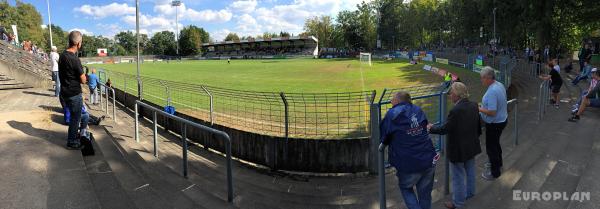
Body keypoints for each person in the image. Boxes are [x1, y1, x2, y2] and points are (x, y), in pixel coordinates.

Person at [380, 91, 438, 209]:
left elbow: (384, 136)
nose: (391, 101)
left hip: (408, 162)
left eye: (392, 99)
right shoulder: (418, 109)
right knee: (425, 195)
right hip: (428, 158)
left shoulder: (392, 114)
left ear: (397, 101)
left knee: (406, 188)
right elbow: (424, 127)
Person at [428, 82, 482, 209]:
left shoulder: (455, 110)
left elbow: (445, 128)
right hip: (471, 146)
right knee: (470, 171)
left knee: (458, 177)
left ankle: (458, 203)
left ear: (457, 95)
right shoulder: (474, 105)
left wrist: (431, 128)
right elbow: (478, 127)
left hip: (458, 150)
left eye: (451, 93)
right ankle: (470, 193)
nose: (450, 96)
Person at [59, 30, 87, 150]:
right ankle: (72, 141)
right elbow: (83, 80)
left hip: (64, 92)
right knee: (76, 118)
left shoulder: (62, 55)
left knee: (76, 117)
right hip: (74, 93)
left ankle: (74, 136)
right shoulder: (75, 60)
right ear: (78, 43)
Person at [478, 67, 508, 180]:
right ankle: (498, 164)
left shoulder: (492, 91)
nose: (481, 80)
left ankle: (495, 172)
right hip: (501, 120)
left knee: (491, 148)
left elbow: (492, 112)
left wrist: (479, 108)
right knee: (495, 144)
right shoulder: (499, 84)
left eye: (482, 78)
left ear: (489, 77)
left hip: (494, 124)